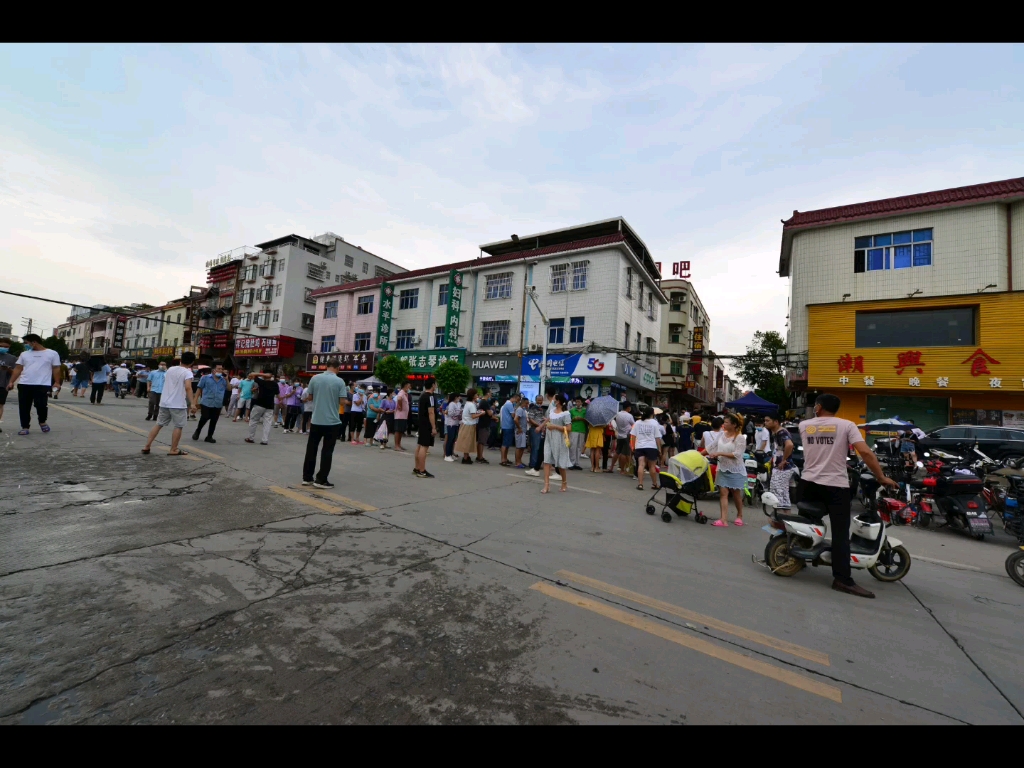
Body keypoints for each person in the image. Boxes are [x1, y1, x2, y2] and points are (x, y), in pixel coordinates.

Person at [796, 393, 898, 599]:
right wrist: (881, 477)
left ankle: (798, 558)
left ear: (818, 407)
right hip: (835, 486)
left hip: (807, 482)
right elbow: (866, 453)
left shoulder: (804, 425)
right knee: (840, 534)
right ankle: (842, 579)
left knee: (806, 524)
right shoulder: (847, 425)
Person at [301, 360, 347, 489]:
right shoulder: (340, 381)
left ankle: (307, 477)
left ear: (326, 366)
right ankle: (321, 479)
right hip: (332, 422)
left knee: (311, 449)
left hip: (316, 420)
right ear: (337, 368)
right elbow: (342, 402)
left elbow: (310, 397)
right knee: (327, 451)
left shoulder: (315, 378)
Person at [141, 351, 197, 456]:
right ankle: (173, 449)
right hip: (178, 404)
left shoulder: (170, 369)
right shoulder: (187, 372)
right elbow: (188, 387)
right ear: (192, 362)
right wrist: (193, 403)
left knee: (158, 424)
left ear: (181, 360)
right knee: (178, 426)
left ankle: (147, 446)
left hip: (164, 402)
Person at [6, 334, 62, 436]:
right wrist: (11, 381)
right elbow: (18, 368)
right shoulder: (24, 354)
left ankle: (42, 421)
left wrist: (57, 382)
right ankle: (25, 427)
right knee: (24, 407)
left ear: (34, 342)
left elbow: (56, 368)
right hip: (24, 384)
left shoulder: (52, 353)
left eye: (27, 343)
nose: (26, 345)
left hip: (42, 384)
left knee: (41, 405)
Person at [708, 414, 748, 527]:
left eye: (726, 422)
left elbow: (737, 454)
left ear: (734, 424)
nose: (723, 424)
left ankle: (739, 515)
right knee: (723, 493)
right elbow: (711, 446)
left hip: (736, 469)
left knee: (736, 494)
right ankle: (723, 519)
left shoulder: (740, 438)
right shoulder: (721, 434)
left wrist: (719, 453)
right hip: (722, 468)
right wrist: (698, 454)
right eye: (723, 422)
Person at [541, 394, 572, 493]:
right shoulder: (551, 411)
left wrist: (555, 426)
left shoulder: (566, 413)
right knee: (546, 461)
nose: (553, 400)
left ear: (558, 401)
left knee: (560, 464)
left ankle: (564, 482)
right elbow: (548, 421)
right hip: (549, 438)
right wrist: (545, 425)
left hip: (560, 439)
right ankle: (546, 485)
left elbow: (569, 428)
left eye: (555, 399)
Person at [764, 414, 796, 511]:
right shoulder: (776, 433)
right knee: (782, 493)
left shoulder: (781, 432)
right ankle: (782, 518)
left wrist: (783, 460)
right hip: (780, 467)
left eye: (768, 420)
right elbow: (779, 449)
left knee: (778, 492)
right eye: (765, 420)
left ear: (776, 421)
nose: (765, 423)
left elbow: (789, 445)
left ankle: (779, 519)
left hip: (783, 468)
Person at [192, 363, 227, 443]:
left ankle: (209, 436)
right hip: (206, 402)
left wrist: (227, 380)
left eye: (221, 369)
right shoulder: (205, 378)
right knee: (204, 417)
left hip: (218, 403)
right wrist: (195, 401)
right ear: (213, 370)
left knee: (214, 420)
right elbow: (199, 389)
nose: (220, 370)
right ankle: (198, 431)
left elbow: (228, 388)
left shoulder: (223, 379)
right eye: (218, 369)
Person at [631, 407, 663, 491]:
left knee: (641, 464)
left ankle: (640, 484)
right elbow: (657, 437)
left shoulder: (637, 422)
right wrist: (659, 449)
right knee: (652, 466)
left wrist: (633, 446)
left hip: (640, 446)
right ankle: (655, 484)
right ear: (652, 414)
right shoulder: (654, 423)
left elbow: (633, 436)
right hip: (651, 446)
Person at [413, 377, 438, 478]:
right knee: (424, 446)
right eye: (435, 384)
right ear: (432, 385)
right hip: (427, 424)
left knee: (420, 445)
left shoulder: (422, 395)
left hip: (421, 423)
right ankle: (422, 470)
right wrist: (433, 427)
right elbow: (431, 412)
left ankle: (417, 467)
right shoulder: (430, 397)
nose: (436, 386)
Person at [245, 372, 278, 446]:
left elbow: (252, 374)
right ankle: (265, 440)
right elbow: (277, 394)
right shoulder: (275, 384)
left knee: (253, 421)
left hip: (259, 404)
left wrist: (263, 375)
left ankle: (250, 438)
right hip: (270, 406)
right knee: (267, 423)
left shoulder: (261, 382)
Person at [454, 388, 482, 464]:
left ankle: (467, 456)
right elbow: (473, 416)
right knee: (467, 441)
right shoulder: (471, 405)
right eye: (476, 394)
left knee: (467, 441)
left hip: (466, 424)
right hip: (469, 425)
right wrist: (481, 414)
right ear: (473, 396)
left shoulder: (468, 403)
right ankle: (466, 457)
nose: (477, 396)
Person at [611, 403, 635, 476]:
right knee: (625, 453)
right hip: (627, 435)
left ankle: (611, 467)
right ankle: (623, 469)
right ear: (628, 408)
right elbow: (633, 424)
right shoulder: (629, 416)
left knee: (617, 451)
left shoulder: (617, 414)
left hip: (619, 435)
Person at [525, 394, 546, 477]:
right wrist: (539, 426)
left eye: (541, 400)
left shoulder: (543, 409)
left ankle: (537, 463)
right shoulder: (532, 408)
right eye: (538, 400)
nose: (540, 402)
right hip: (535, 429)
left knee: (539, 448)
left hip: (542, 429)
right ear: (535, 400)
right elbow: (530, 419)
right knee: (535, 447)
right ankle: (533, 464)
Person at [0, 338, 18, 432]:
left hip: (3, 384)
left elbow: (15, 372)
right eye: (1, 346)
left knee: (0, 405)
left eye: (6, 347)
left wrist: (7, 369)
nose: (3, 348)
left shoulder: (12, 358)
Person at [568, 396, 588, 470]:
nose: (577, 403)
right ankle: (571, 463)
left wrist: (582, 419)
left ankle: (577, 463)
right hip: (574, 429)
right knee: (573, 446)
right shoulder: (572, 410)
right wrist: (574, 419)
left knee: (579, 447)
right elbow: (568, 420)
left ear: (581, 402)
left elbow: (587, 421)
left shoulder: (585, 411)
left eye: (579, 401)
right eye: (576, 402)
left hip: (582, 430)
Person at [443, 393, 464, 461]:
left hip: (456, 423)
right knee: (450, 439)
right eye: (458, 397)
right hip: (451, 424)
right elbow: (450, 413)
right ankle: (447, 455)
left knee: (453, 440)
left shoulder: (457, 404)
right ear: (455, 397)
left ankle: (451, 454)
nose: (459, 398)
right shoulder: (452, 404)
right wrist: (458, 413)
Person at [499, 392, 518, 467]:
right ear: (514, 398)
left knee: (507, 444)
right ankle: (503, 459)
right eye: (517, 399)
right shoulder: (509, 404)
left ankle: (505, 458)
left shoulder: (507, 404)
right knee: (505, 444)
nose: (517, 402)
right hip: (507, 426)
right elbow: (513, 415)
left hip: (507, 426)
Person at [475, 394, 495, 463]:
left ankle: (479, 456)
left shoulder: (482, 402)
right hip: (484, 424)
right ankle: (480, 457)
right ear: (487, 394)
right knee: (481, 441)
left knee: (481, 441)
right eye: (490, 393)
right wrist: (492, 412)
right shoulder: (484, 402)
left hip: (483, 423)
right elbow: (489, 413)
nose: (491, 395)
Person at [393, 381, 411, 452]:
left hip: (404, 416)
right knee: (398, 431)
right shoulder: (401, 392)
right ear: (405, 386)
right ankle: (396, 446)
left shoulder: (405, 394)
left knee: (401, 431)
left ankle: (399, 445)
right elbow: (399, 399)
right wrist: (400, 406)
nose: (410, 388)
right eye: (409, 386)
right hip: (400, 415)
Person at [514, 394, 530, 469]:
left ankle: (519, 461)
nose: (528, 405)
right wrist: (519, 428)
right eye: (527, 403)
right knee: (519, 447)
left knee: (522, 447)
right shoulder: (520, 410)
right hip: (520, 431)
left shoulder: (523, 410)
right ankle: (517, 462)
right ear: (523, 402)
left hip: (523, 430)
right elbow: (516, 419)